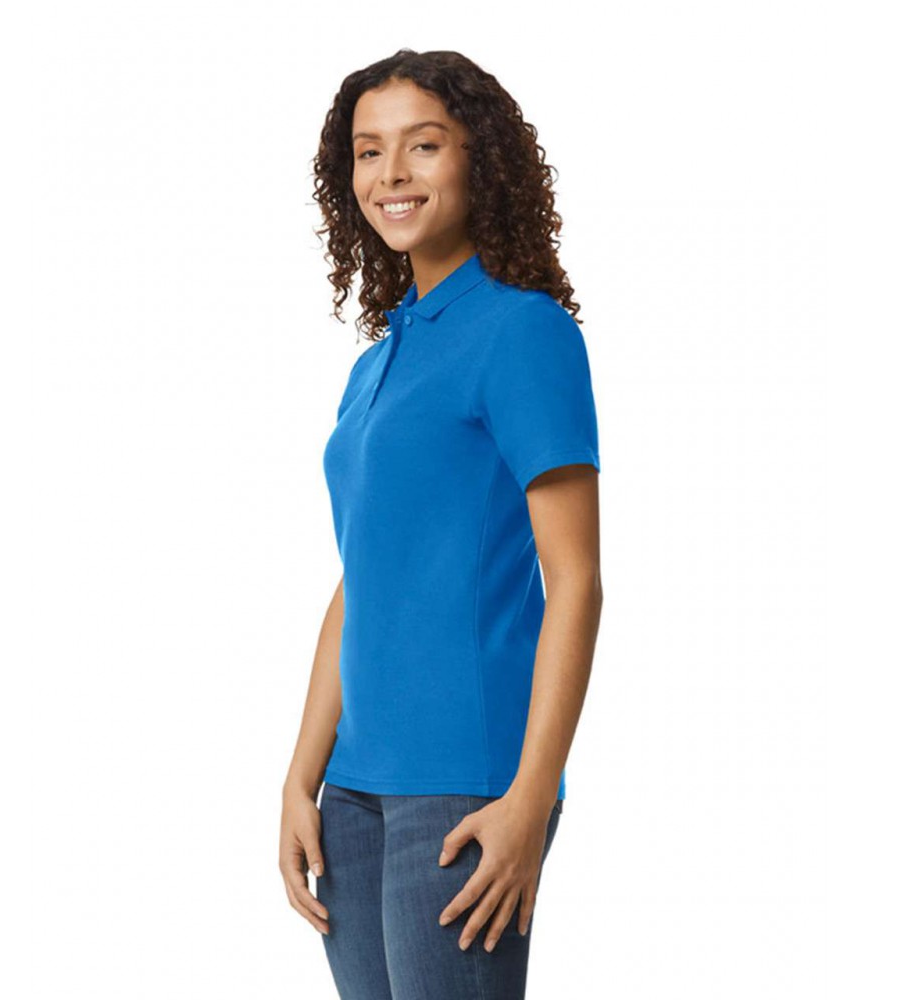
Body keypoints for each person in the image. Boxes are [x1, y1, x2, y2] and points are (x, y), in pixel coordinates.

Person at [280, 49, 603, 999]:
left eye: (423, 145)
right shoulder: (377, 362)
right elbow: (362, 581)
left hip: (467, 783)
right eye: (368, 151)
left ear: (479, 158)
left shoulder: (523, 331)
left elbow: (576, 581)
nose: (392, 173)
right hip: (353, 793)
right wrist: (301, 776)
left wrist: (531, 797)